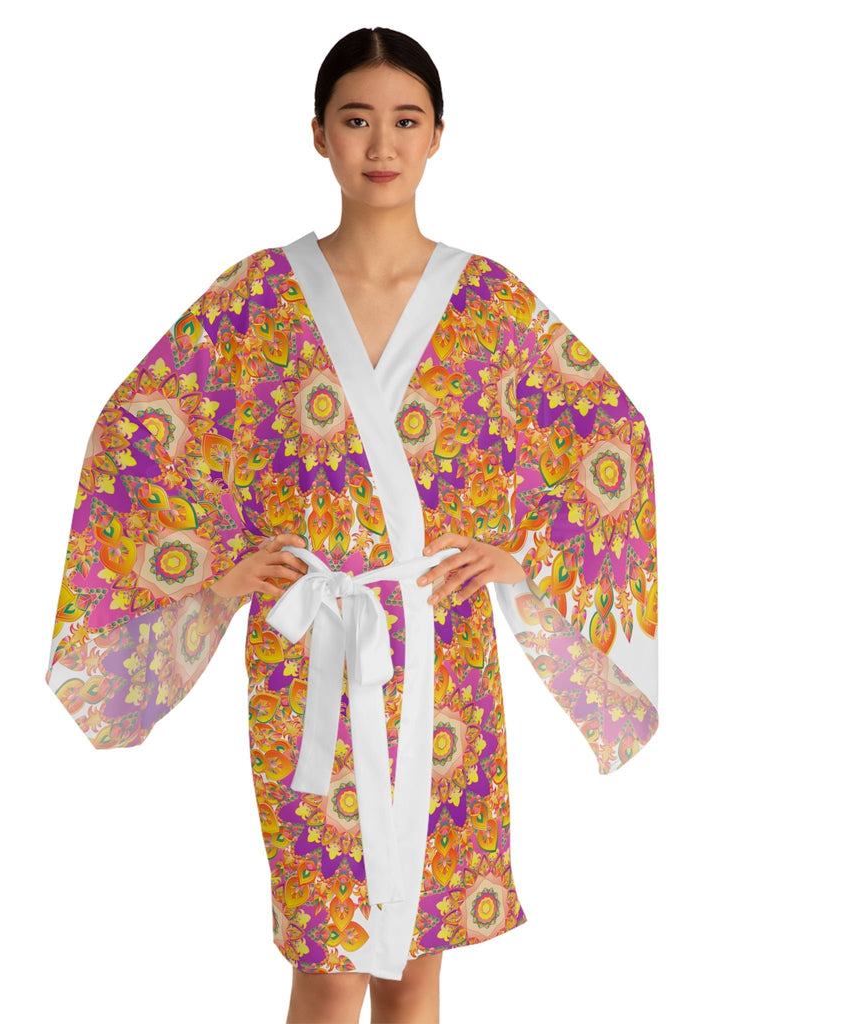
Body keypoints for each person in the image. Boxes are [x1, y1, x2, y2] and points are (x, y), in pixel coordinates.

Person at [44, 25, 659, 1024]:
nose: (382, 143)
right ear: (319, 134)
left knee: (416, 962)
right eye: (357, 119)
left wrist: (522, 556)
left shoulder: (488, 301)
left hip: (442, 647)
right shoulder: (257, 296)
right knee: (326, 960)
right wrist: (216, 570)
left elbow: (608, 433)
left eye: (405, 120)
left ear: (438, 135)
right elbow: (140, 431)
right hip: (309, 652)